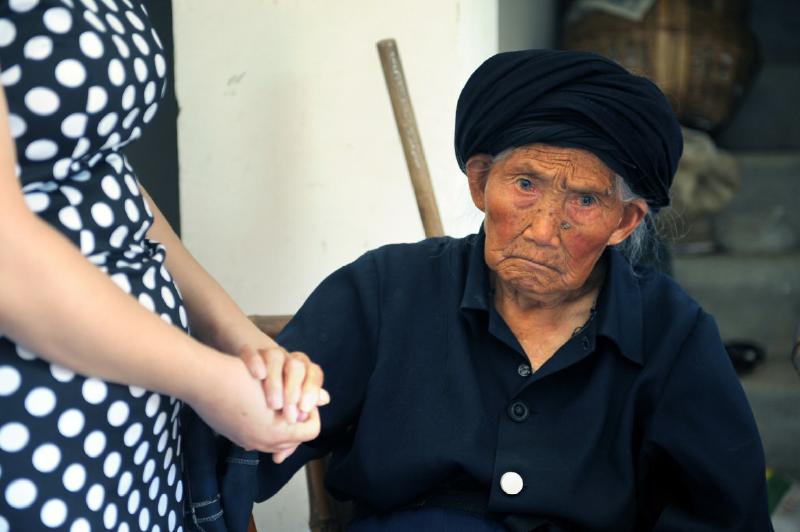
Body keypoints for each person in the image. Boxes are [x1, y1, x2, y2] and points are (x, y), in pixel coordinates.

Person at [190, 49, 773, 531]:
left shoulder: (671, 333)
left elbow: (724, 513)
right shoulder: (388, 289)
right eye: (524, 183)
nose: (543, 229)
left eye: (585, 200)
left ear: (624, 224)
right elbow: (239, 440)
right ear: (478, 182)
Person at [0, 2, 326, 531]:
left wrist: (244, 343)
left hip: (140, 417)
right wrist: (209, 383)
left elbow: (104, 177)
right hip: (32, 418)